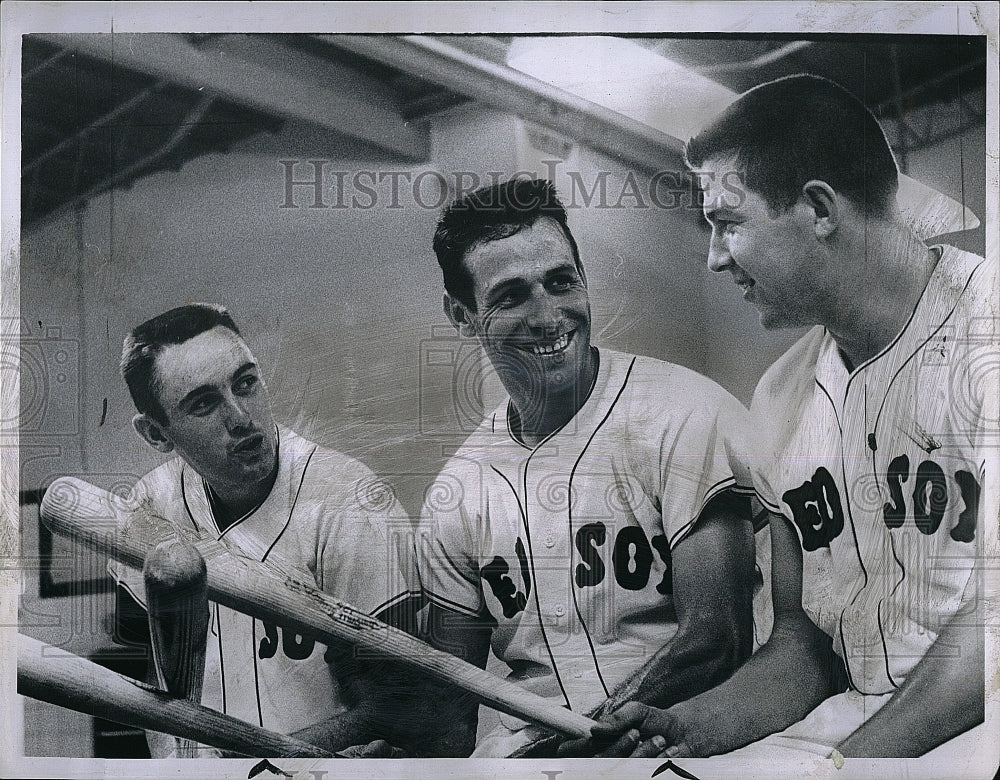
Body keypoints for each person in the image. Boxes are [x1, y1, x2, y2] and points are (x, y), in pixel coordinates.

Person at [564, 74, 993, 762]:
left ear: (819, 208)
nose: (713, 258)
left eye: (728, 224)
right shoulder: (780, 396)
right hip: (852, 726)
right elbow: (803, 645)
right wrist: (694, 725)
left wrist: (851, 765)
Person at [417, 178, 762, 757]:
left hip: (681, 744)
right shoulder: (458, 489)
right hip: (535, 760)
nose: (548, 316)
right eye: (511, 296)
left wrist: (585, 736)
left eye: (560, 282)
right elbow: (453, 698)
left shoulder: (682, 411)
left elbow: (718, 640)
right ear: (461, 315)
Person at [110, 303, 420, 756]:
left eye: (246, 383)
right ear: (157, 435)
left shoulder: (349, 500)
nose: (241, 417)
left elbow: (401, 707)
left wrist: (255, 762)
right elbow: (149, 688)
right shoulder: (146, 511)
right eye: (204, 403)